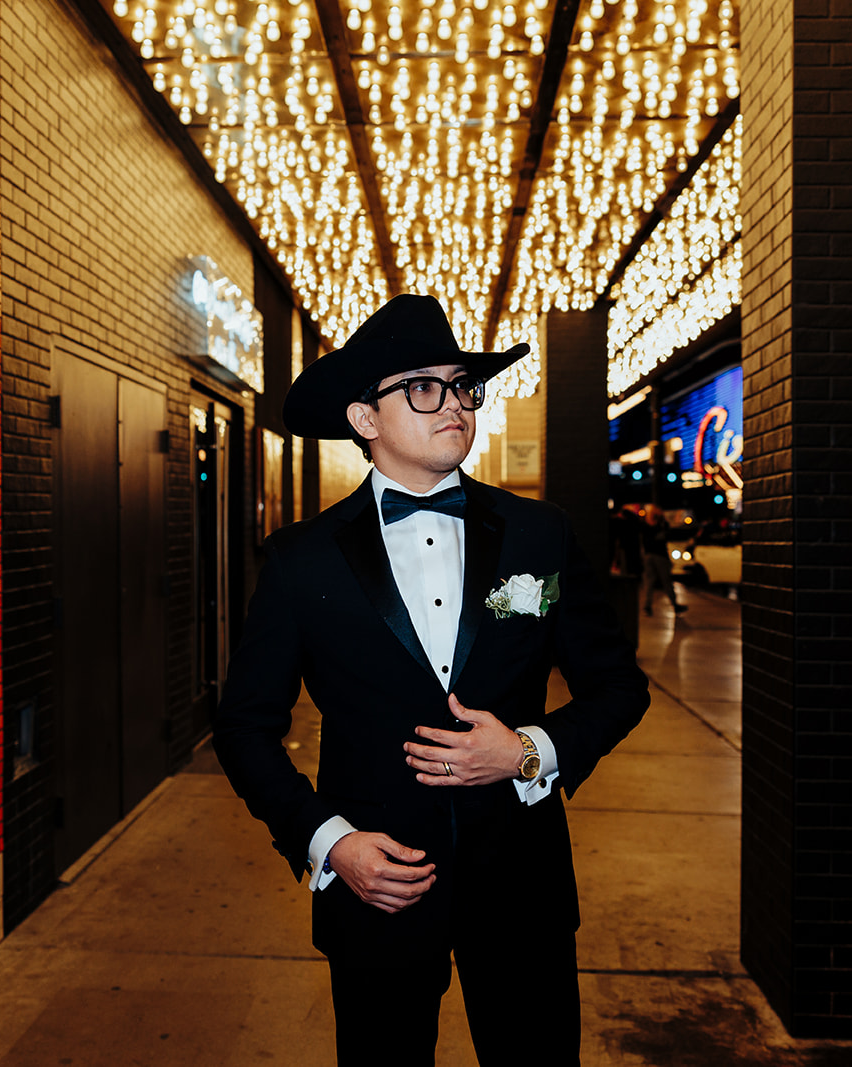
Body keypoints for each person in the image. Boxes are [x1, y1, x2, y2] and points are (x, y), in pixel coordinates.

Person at [213, 294, 650, 1065]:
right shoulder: (299, 560)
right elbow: (245, 727)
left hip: (523, 891)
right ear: (364, 418)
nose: (454, 403)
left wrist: (526, 750)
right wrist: (329, 841)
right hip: (376, 892)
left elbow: (620, 684)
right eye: (424, 386)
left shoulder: (537, 533)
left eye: (461, 386)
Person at [639, 505, 686, 615]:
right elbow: (666, 535)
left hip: (648, 554)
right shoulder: (660, 525)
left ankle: (647, 605)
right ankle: (674, 604)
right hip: (659, 555)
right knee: (666, 581)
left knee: (649, 581)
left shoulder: (644, 525)